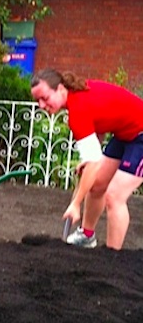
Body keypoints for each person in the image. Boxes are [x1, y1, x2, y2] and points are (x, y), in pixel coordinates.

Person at [30, 68, 143, 250]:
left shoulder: (77, 110)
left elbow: (95, 163)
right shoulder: (77, 95)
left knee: (114, 197)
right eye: (37, 101)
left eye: (45, 98)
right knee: (96, 184)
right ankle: (87, 236)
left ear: (60, 89)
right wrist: (90, 159)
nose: (42, 105)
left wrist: (75, 204)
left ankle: (113, 258)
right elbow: (100, 118)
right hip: (125, 134)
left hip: (140, 135)